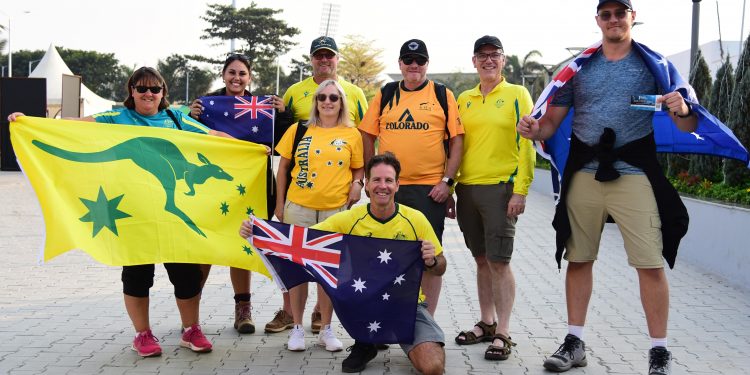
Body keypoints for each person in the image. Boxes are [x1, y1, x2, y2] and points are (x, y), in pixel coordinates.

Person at [516, 1, 697, 374]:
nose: (613, 20)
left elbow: (685, 123)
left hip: (633, 174)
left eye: (620, 13)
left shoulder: (654, 66)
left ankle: (659, 352)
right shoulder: (579, 69)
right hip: (585, 172)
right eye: (606, 14)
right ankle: (574, 342)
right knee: (578, 258)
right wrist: (536, 130)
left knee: (649, 263)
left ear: (633, 17)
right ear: (598, 20)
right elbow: (551, 123)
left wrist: (681, 109)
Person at [8, 66, 229, 357]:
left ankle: (191, 329)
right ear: (131, 92)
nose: (148, 94)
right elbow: (74, 125)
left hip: (171, 218)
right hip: (135, 215)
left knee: (186, 274)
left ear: (163, 93)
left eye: (154, 89)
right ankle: (143, 334)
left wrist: (252, 150)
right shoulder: (117, 117)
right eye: (141, 89)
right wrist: (30, 123)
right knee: (137, 274)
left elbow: (212, 136)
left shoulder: (177, 118)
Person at [239, 152, 447, 374]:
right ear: (366, 185)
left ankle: (396, 338)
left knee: (433, 367)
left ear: (398, 185)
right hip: (364, 304)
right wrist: (258, 232)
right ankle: (365, 343)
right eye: (376, 180)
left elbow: (441, 267)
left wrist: (432, 260)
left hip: (407, 306)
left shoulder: (415, 220)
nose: (382, 186)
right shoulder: (350, 219)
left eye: (388, 180)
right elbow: (301, 239)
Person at [268, 35, 369, 335]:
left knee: (327, 262)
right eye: (318, 56)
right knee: (295, 262)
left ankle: (320, 317)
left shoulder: (356, 93)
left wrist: (360, 181)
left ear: (337, 59)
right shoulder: (295, 91)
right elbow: (284, 137)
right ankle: (290, 314)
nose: (324, 60)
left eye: (330, 56)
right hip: (301, 197)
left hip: (335, 197)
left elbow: (363, 137)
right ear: (311, 59)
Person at [359, 38, 464, 316]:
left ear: (427, 64)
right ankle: (383, 318)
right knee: (385, 255)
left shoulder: (442, 94)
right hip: (389, 188)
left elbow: (457, 142)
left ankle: (424, 321)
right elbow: (367, 134)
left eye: (420, 61)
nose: (414, 66)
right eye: (408, 60)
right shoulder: (386, 93)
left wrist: (447, 182)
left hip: (430, 190)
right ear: (400, 64)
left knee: (429, 257)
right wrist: (371, 178)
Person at [188, 54, 288, 335]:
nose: (237, 78)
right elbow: (187, 135)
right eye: (231, 72)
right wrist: (189, 115)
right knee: (204, 247)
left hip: (250, 186)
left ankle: (243, 309)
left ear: (250, 78)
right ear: (222, 75)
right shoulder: (207, 104)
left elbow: (281, 145)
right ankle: (191, 315)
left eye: (242, 73)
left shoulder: (263, 107)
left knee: (241, 247)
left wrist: (283, 114)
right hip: (213, 187)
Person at [453, 35, 534, 362]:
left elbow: (527, 143)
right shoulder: (464, 99)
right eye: (482, 55)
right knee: (481, 259)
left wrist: (521, 189)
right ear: (474, 61)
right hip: (467, 189)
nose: (488, 60)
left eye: (494, 55)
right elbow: (456, 145)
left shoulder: (517, 94)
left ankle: (503, 331)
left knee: (499, 262)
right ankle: (486, 322)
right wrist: (451, 184)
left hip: (501, 189)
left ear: (503, 60)